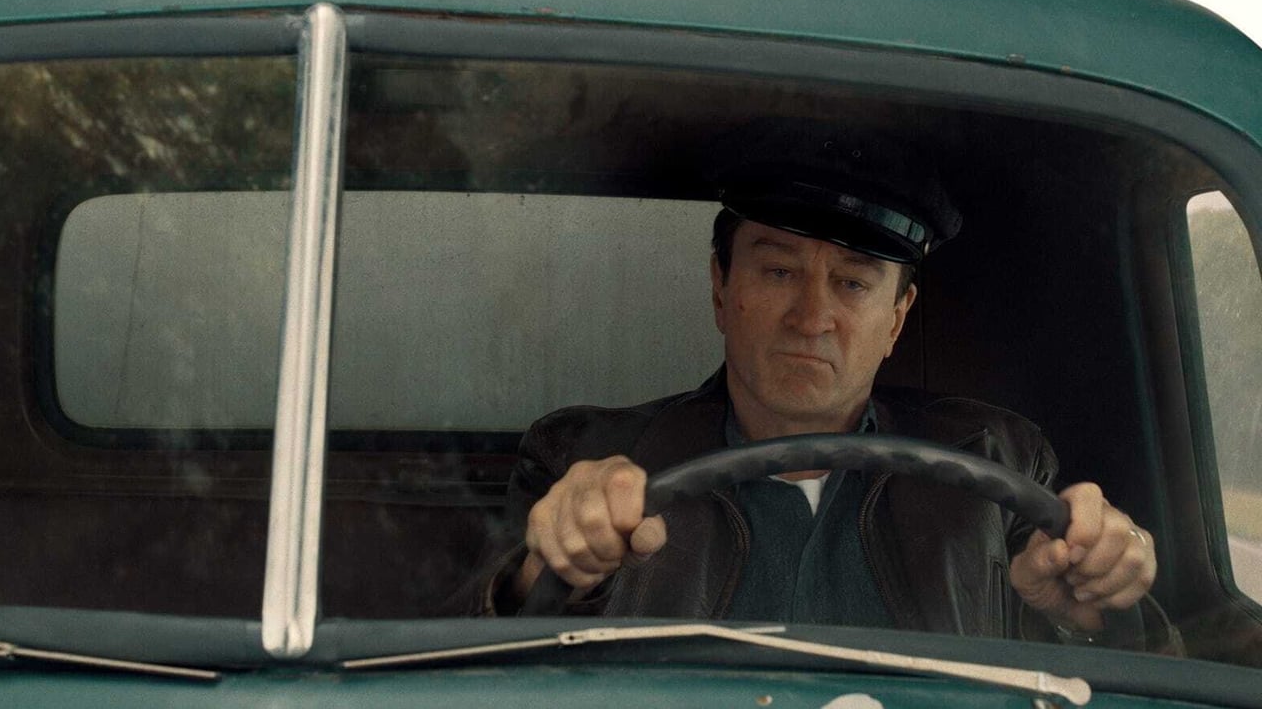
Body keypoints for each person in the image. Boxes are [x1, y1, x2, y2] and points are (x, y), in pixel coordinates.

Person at [472, 122, 1176, 651]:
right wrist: (555, 563)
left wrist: (1093, 603)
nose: (812, 318)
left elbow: (1114, 663)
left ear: (896, 318)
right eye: (779, 272)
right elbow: (475, 659)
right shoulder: (584, 455)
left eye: (853, 283)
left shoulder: (1000, 463)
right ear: (721, 288)